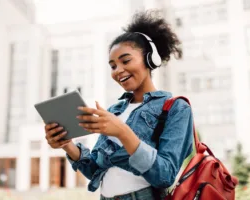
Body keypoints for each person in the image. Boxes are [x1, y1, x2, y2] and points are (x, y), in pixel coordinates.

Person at [44, 10, 195, 200]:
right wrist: (67, 145)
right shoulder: (115, 111)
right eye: (113, 66)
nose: (118, 71)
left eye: (126, 60)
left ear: (149, 59)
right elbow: (95, 171)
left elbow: (165, 175)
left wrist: (122, 132)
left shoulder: (176, 108)